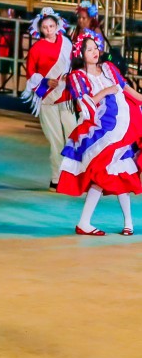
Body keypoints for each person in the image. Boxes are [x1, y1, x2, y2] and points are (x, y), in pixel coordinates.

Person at [58, 32, 142, 236]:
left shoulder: (109, 68)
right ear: (81, 54)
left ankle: (127, 223)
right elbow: (85, 104)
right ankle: (86, 223)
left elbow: (127, 90)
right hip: (101, 130)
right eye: (89, 49)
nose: (95, 52)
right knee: (102, 171)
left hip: (124, 123)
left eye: (95, 48)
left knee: (119, 170)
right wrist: (107, 91)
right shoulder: (77, 76)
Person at [22, 7, 76, 190]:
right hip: (48, 98)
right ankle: (56, 178)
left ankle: (74, 175)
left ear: (57, 25)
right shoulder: (36, 48)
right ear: (40, 28)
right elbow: (30, 74)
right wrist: (45, 82)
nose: (49, 30)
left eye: (52, 26)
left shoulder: (67, 44)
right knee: (56, 141)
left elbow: (74, 66)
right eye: (45, 27)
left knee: (73, 135)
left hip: (66, 96)